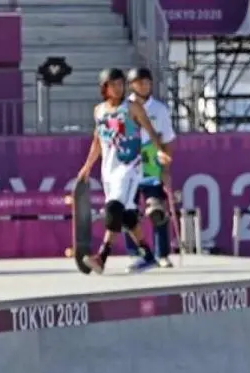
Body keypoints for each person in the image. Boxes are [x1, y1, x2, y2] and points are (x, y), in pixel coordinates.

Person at [76, 67, 171, 274]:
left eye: (121, 84)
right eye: (113, 85)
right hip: (108, 169)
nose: (118, 88)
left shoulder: (132, 108)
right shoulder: (99, 110)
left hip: (129, 168)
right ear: (104, 88)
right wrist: (87, 166)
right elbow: (97, 141)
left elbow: (151, 131)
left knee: (113, 210)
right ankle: (148, 256)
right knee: (127, 216)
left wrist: (160, 153)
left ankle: (101, 257)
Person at [122, 67, 177, 269]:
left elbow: (168, 139)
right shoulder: (123, 108)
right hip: (129, 162)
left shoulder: (159, 109)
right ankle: (136, 252)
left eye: (147, 82)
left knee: (157, 209)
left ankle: (162, 253)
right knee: (128, 210)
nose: (144, 86)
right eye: (139, 82)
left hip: (151, 161)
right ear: (131, 85)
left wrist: (166, 167)